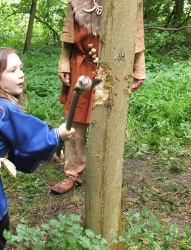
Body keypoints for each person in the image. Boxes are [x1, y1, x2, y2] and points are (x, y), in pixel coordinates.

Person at [0, 47, 75, 250]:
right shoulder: (2, 109)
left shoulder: (0, 106)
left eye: (21, 68)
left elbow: (17, 145)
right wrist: (56, 135)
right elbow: (30, 135)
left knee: (0, 229)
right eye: (13, 70)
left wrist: (49, 156)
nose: (21, 74)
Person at [50, 0, 146, 194]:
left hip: (115, 67)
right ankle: (72, 174)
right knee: (76, 121)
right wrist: (63, 62)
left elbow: (137, 32)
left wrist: (139, 66)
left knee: (109, 120)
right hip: (81, 63)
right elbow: (69, 32)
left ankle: (105, 173)